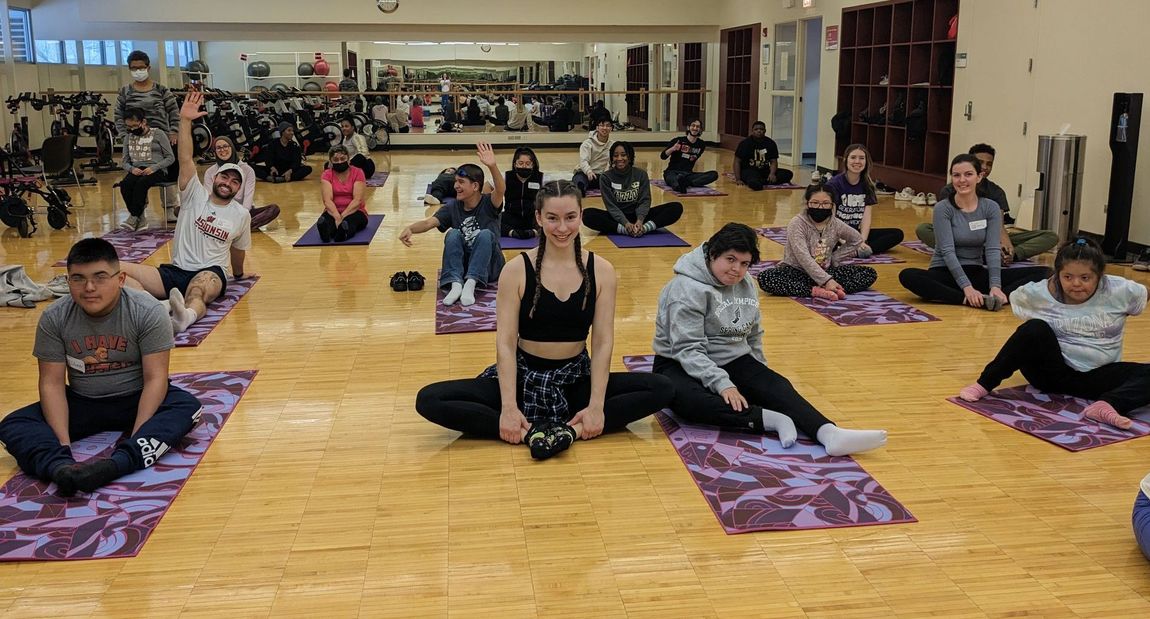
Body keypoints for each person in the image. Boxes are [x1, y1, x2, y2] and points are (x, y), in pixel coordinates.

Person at [415, 180, 674, 460]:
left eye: (570, 217)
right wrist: (509, 407)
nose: (562, 228)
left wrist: (597, 404)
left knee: (662, 388)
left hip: (575, 379)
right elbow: (505, 343)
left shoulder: (602, 270)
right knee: (429, 399)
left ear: (581, 216)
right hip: (523, 377)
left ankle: (569, 431)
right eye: (552, 218)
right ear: (539, 218)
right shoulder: (516, 271)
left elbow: (602, 343)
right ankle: (528, 431)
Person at [652, 223, 887, 456]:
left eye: (744, 264)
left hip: (732, 357)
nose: (737, 269)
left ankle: (829, 433)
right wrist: (723, 384)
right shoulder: (685, 289)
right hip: (678, 361)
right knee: (687, 400)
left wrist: (760, 378)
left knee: (778, 386)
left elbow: (753, 333)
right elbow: (687, 349)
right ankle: (769, 420)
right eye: (730, 259)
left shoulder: (745, 284)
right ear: (713, 254)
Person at [0, 238, 203, 497]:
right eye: (78, 279)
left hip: (136, 398)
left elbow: (155, 379)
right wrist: (63, 450)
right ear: (67, 281)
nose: (89, 288)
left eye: (100, 277)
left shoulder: (148, 312)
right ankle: (59, 469)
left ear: (120, 279)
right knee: (14, 424)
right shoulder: (54, 318)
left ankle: (117, 464)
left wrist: (137, 439)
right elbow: (51, 384)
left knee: (188, 408)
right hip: (84, 402)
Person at [959, 237, 1149, 429]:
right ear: (1058, 275)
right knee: (1034, 329)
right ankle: (984, 383)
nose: (1076, 283)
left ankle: (1108, 405)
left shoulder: (1119, 290)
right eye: (1068, 277)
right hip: (1050, 373)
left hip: (1098, 377)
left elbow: (1144, 294)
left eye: (1085, 278)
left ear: (1099, 276)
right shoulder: (1039, 293)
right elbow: (1013, 303)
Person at [120, 88, 252, 334]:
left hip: (210, 272)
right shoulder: (194, 195)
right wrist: (185, 121)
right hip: (176, 270)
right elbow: (185, 158)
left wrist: (240, 275)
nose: (228, 183)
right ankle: (158, 307)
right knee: (115, 269)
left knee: (198, 289)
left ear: (238, 188)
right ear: (215, 178)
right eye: (225, 177)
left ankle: (187, 316)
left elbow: (238, 254)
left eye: (235, 182)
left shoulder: (241, 215)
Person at [899, 154, 1050, 310]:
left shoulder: (990, 207)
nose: (962, 180)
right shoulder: (943, 208)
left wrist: (995, 286)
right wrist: (967, 289)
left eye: (968, 174)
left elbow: (992, 249)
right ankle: (966, 299)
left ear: (979, 177)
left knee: (1045, 273)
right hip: (946, 272)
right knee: (908, 275)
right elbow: (947, 251)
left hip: (976, 271)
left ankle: (998, 297)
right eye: (956, 175)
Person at [399, 143, 505, 307]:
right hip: (464, 266)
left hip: (490, 266)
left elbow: (500, 190)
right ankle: (456, 283)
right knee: (453, 234)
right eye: (456, 181)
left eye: (461, 182)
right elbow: (429, 223)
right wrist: (410, 228)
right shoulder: (453, 206)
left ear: (475, 186)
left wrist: (492, 166)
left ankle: (471, 283)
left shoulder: (489, 203)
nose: (456, 186)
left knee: (485, 234)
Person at [919, 143, 1059, 263]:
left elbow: (999, 223)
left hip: (990, 237)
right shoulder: (950, 190)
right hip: (960, 237)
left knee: (1051, 236)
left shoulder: (996, 191)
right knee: (923, 229)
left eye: (989, 164)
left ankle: (1009, 256)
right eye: (980, 163)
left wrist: (1006, 245)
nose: (985, 167)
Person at [757, 183, 878, 299]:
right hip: (796, 271)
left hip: (825, 270)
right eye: (815, 203)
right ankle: (817, 291)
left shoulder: (836, 224)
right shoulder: (797, 223)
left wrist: (835, 257)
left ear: (832, 205)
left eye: (825, 203)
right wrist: (826, 280)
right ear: (807, 203)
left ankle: (830, 287)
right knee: (766, 278)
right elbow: (802, 256)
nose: (820, 207)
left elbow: (856, 239)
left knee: (869, 273)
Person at [115, 50, 180, 222]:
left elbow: (174, 111)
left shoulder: (161, 90)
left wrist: (174, 131)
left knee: (165, 172)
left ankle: (170, 208)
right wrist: (124, 136)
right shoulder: (125, 92)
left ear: (148, 67)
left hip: (162, 138)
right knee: (137, 178)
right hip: (136, 141)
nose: (138, 71)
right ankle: (138, 212)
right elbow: (118, 115)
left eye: (141, 67)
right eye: (133, 68)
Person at [582, 141, 683, 237]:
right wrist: (625, 224)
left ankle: (643, 229)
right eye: (615, 155)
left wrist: (640, 221)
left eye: (623, 155)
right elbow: (611, 206)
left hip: (640, 216)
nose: (619, 158)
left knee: (676, 207)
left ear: (630, 157)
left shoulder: (641, 174)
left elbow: (645, 201)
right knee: (587, 215)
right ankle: (625, 230)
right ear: (612, 158)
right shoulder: (605, 177)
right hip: (616, 218)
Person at [826, 144, 904, 255]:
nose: (857, 161)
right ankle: (856, 250)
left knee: (897, 234)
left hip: (855, 233)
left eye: (861, 158)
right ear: (845, 160)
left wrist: (861, 240)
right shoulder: (834, 184)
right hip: (836, 234)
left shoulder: (868, 185)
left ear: (866, 162)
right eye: (853, 157)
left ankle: (856, 251)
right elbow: (831, 220)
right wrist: (845, 242)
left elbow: (866, 217)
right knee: (825, 243)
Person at [203, 136, 280, 230]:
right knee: (182, 209)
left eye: (225, 146)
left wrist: (241, 217)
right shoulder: (210, 172)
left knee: (273, 209)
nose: (222, 150)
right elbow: (208, 198)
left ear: (232, 147)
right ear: (215, 151)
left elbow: (248, 198)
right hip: (219, 213)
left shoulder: (247, 170)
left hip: (242, 212)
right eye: (218, 148)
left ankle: (238, 229)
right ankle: (236, 228)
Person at [118, 107, 174, 231]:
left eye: (134, 126)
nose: (132, 129)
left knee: (141, 184)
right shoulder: (128, 138)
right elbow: (125, 162)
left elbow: (170, 157)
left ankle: (134, 217)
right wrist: (131, 169)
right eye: (129, 127)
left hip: (156, 169)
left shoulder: (158, 134)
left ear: (143, 122)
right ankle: (139, 217)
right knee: (126, 184)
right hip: (137, 169)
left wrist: (154, 167)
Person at [317, 145, 368, 243]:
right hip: (333, 211)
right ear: (331, 161)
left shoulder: (358, 172)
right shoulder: (327, 174)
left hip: (355, 211)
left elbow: (357, 200)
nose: (339, 162)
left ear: (348, 159)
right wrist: (336, 216)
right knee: (326, 222)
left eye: (342, 159)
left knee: (349, 223)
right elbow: (327, 200)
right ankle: (326, 232)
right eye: (336, 160)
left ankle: (343, 232)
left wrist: (342, 217)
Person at [660, 119, 719, 193]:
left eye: (697, 126)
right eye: (693, 126)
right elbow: (663, 156)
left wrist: (694, 158)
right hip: (672, 172)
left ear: (700, 129)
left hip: (688, 174)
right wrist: (673, 149)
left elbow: (695, 158)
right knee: (673, 179)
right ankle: (679, 186)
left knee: (714, 174)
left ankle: (685, 183)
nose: (695, 128)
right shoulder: (678, 140)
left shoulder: (701, 145)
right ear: (688, 128)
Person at [733, 121, 794, 190]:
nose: (759, 131)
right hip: (749, 170)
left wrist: (772, 174)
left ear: (765, 131)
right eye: (756, 129)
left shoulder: (770, 143)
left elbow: (773, 161)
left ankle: (761, 181)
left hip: (764, 170)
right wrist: (738, 179)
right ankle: (760, 182)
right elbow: (737, 161)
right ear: (752, 131)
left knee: (788, 174)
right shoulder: (745, 143)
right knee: (752, 179)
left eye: (761, 129)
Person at [502, 147, 545, 239]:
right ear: (515, 164)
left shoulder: (541, 178)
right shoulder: (506, 177)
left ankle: (534, 232)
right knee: (494, 221)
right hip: (511, 216)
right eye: (521, 163)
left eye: (528, 163)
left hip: (532, 218)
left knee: (548, 220)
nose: (524, 166)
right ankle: (512, 232)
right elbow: (488, 186)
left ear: (533, 165)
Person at [571, 119, 612, 195]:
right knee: (579, 180)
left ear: (611, 129)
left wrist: (607, 174)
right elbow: (583, 161)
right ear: (597, 128)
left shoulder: (613, 145)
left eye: (608, 126)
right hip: (586, 174)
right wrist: (588, 171)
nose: (605, 128)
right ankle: (581, 189)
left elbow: (611, 162)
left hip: (602, 176)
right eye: (602, 125)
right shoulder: (587, 144)